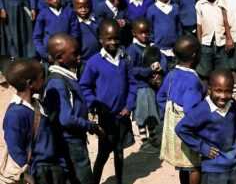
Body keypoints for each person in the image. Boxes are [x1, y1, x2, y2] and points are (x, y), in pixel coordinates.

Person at [79, 19, 136, 184]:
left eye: (116, 38)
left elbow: (133, 84)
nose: (113, 42)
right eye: (108, 38)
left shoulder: (125, 59)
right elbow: (85, 86)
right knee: (103, 153)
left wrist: (129, 105)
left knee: (119, 151)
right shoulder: (94, 62)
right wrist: (94, 104)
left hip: (122, 114)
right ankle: (95, 181)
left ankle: (119, 180)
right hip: (106, 116)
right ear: (100, 39)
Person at [43, 33, 102, 184]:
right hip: (71, 141)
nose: (79, 57)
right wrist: (89, 126)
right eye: (75, 54)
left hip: (74, 138)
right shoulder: (58, 82)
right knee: (82, 176)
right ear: (60, 58)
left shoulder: (67, 77)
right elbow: (66, 118)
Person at [3, 58, 64, 184]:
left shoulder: (37, 104)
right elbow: (14, 146)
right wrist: (26, 173)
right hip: (38, 170)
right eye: (41, 77)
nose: (44, 80)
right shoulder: (16, 113)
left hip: (52, 165)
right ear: (30, 83)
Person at [176, 69, 236, 184]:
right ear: (209, 90)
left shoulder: (232, 106)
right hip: (213, 169)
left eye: (228, 91)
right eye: (218, 91)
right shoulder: (202, 110)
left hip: (235, 166)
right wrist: (202, 147)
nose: (223, 96)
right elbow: (181, 128)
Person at [157, 35, 205, 184]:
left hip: (173, 126)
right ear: (195, 55)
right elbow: (192, 109)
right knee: (194, 165)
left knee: (182, 164)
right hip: (187, 127)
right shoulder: (192, 80)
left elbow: (160, 97)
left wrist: (167, 115)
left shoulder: (171, 75)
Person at [126, 18, 165, 147]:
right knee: (142, 112)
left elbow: (160, 58)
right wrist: (148, 70)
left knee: (152, 111)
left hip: (152, 85)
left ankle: (153, 135)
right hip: (141, 86)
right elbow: (132, 69)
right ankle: (144, 138)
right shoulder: (132, 49)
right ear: (134, 33)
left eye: (147, 32)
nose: (144, 35)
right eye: (141, 33)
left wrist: (160, 68)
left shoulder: (152, 46)